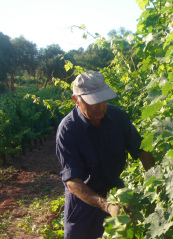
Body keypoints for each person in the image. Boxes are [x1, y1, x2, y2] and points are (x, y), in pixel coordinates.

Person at [56, 71, 155, 239]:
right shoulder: (68, 130)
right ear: (76, 100)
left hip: (115, 192)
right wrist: (107, 206)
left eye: (103, 100)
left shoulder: (118, 117)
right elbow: (72, 181)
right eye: (93, 102)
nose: (100, 107)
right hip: (82, 201)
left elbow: (142, 150)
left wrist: (155, 181)